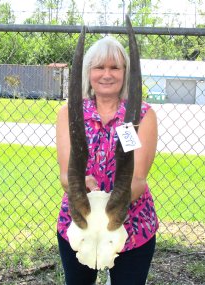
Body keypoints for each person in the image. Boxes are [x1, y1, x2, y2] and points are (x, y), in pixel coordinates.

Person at [56, 36, 159, 285]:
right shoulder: (69, 113)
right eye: (99, 67)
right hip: (79, 221)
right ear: (88, 72)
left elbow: (138, 178)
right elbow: (65, 173)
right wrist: (78, 183)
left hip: (133, 224)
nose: (107, 74)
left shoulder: (142, 115)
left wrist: (112, 204)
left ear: (125, 73)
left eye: (115, 67)